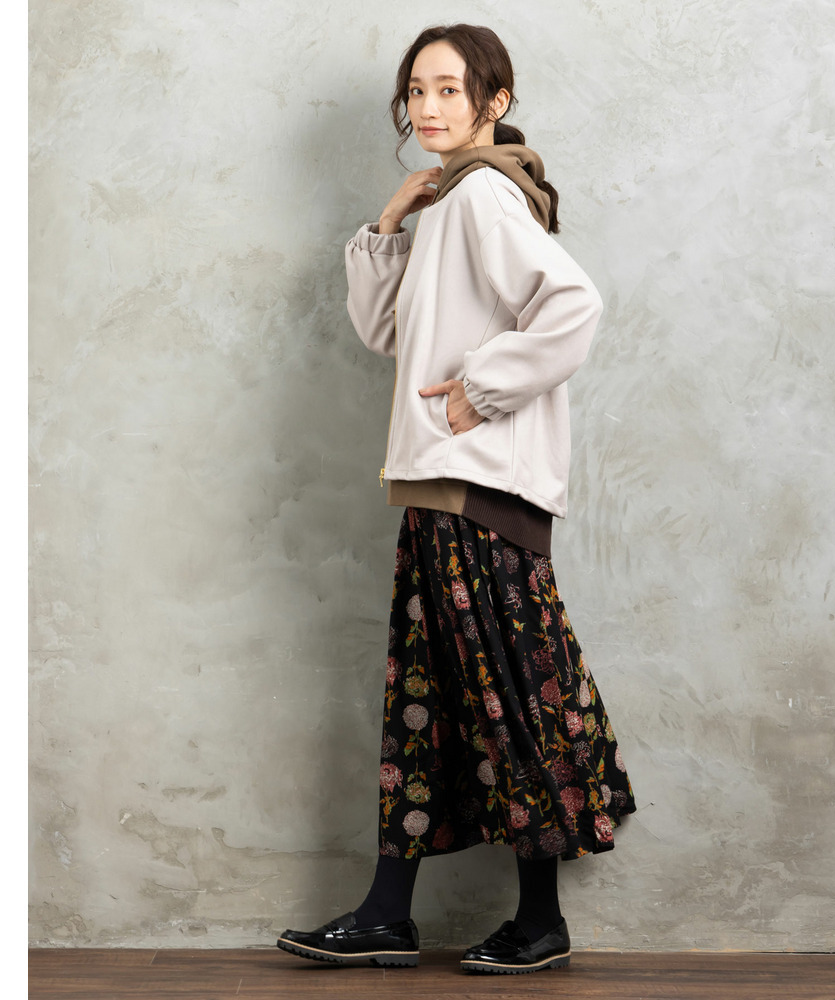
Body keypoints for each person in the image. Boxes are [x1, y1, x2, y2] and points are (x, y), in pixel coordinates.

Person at [277, 23, 636, 975]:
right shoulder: (450, 199)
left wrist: (484, 387)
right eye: (417, 91)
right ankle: (388, 913)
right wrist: (390, 222)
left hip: (480, 490)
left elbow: (574, 305)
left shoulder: (482, 194)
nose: (428, 107)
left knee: (507, 695)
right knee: (431, 699)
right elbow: (388, 333)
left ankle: (539, 921)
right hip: (441, 489)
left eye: (448, 89)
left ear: (494, 101)